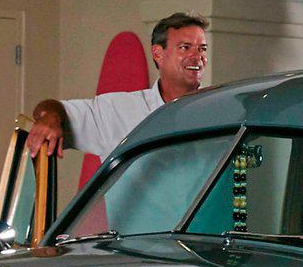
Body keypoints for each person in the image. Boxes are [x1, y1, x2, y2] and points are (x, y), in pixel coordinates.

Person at [27, 13, 209, 161]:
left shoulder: (217, 111)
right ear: (158, 54)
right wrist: (49, 118)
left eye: (202, 49)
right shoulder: (115, 110)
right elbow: (52, 108)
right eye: (185, 47)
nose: (197, 56)